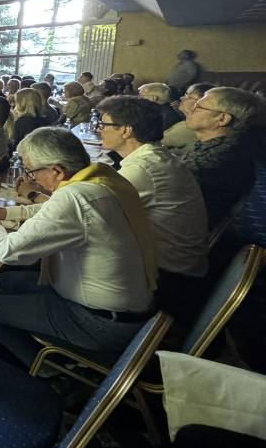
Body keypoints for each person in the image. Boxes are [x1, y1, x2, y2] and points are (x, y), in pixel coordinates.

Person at [0, 127, 157, 366]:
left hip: (97, 321)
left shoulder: (75, 197)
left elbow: (9, 252)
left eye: (32, 171)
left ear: (57, 171)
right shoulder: (103, 180)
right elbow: (51, 209)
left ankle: (45, 367)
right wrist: (4, 212)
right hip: (126, 311)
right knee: (2, 282)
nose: (31, 179)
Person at [97, 96, 209, 322]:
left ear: (126, 130)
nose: (99, 130)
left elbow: (87, 213)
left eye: (104, 125)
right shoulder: (155, 156)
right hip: (182, 267)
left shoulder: (142, 168)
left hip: (167, 280)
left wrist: (34, 197)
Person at [174, 86, 260, 228]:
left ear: (222, 119)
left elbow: (168, 196)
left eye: (199, 107)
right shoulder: (228, 142)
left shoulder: (214, 159)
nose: (189, 109)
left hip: (184, 228)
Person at [162, 83, 213, 148]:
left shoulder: (191, 129)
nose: (181, 98)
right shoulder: (186, 122)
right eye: (185, 95)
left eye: (188, 96)